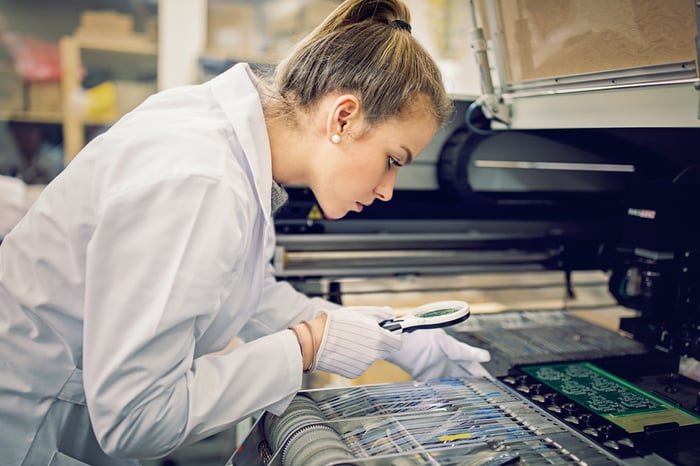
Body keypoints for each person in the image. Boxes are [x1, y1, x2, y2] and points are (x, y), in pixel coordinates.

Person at [0, 1, 490, 464]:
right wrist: (304, 348)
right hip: (26, 428)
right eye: (392, 160)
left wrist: (399, 340)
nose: (388, 190)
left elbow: (244, 294)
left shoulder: (233, 144)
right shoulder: (201, 179)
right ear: (343, 116)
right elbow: (137, 417)